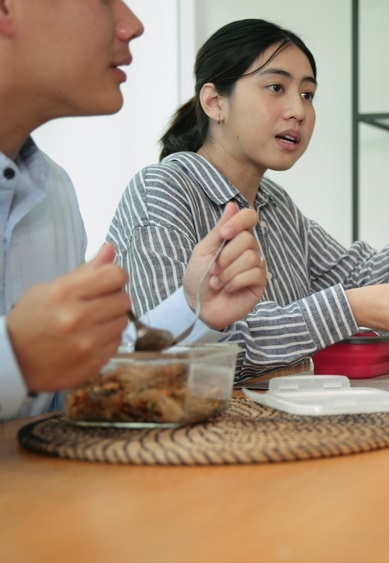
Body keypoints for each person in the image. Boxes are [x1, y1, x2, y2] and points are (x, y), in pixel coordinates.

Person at [107, 19, 389, 381]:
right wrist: (349, 309)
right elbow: (169, 357)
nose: (298, 111)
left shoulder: (273, 202)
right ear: (214, 102)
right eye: (276, 88)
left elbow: (353, 278)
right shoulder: (161, 191)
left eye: (308, 94)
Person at [0, 0, 267, 421]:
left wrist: (194, 309)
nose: (133, 24)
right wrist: (14, 357)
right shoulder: (160, 184)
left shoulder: (53, 192)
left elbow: (76, 380)